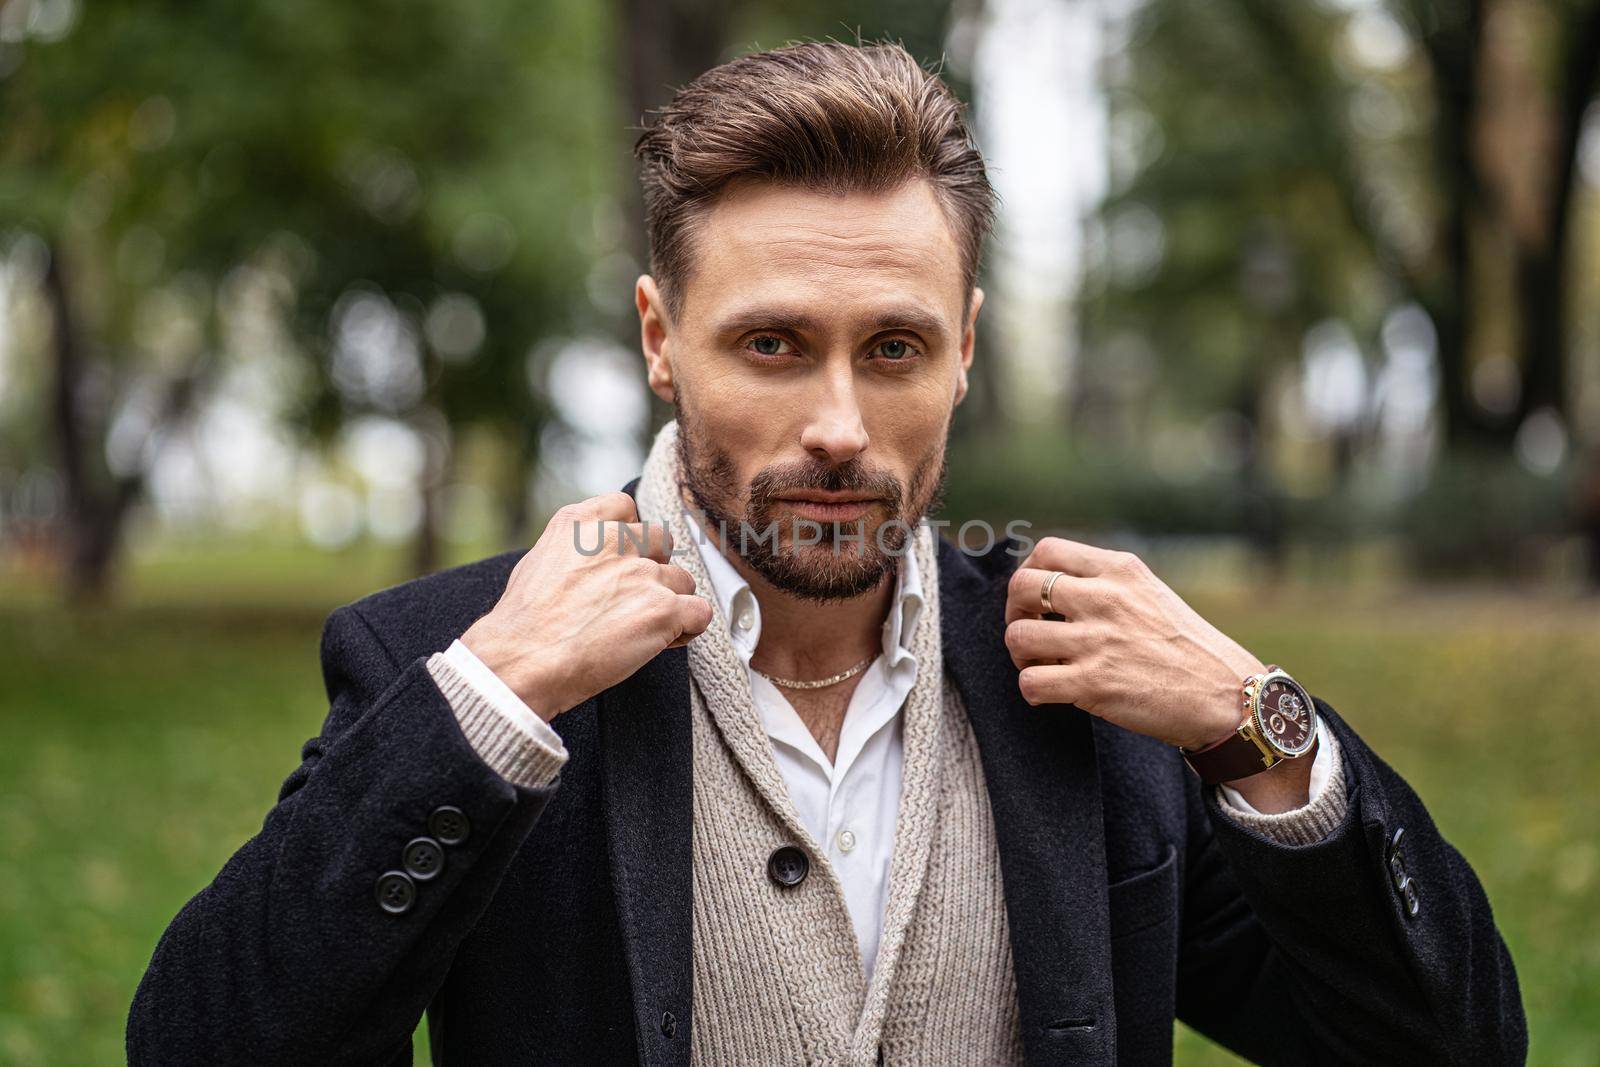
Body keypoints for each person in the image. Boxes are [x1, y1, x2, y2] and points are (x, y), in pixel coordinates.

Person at [127, 40, 1525, 1066]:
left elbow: (1451, 1045)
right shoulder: (457, 661)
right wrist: (480, 708)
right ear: (661, 339)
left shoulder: (1098, 686)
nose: (842, 427)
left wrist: (1259, 733)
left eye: (897, 348)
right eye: (774, 345)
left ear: (967, 349)